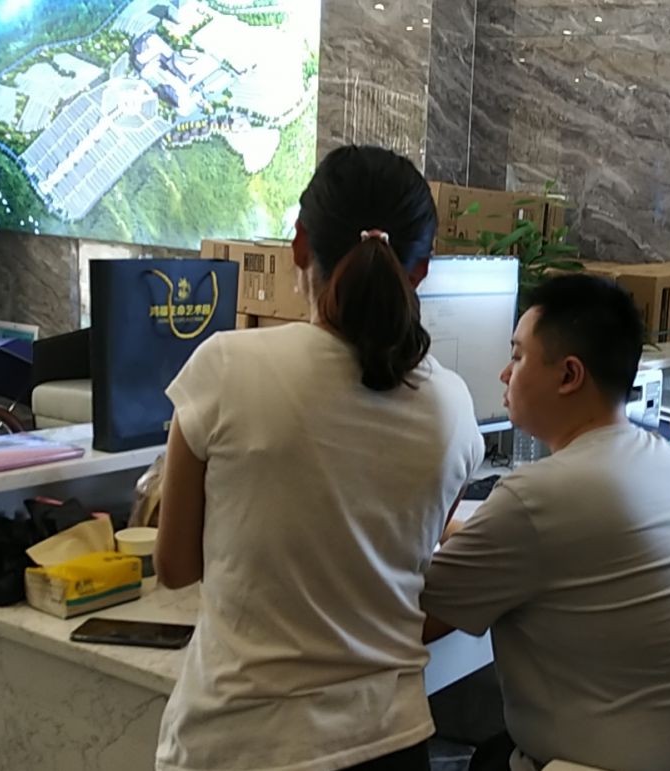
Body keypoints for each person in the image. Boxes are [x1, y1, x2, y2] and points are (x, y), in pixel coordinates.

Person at [153, 145, 485, 771]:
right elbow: (417, 555)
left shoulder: (225, 368)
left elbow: (174, 566)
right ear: (421, 270)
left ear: (300, 245)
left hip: (242, 747)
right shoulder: (453, 408)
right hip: (390, 743)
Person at [421, 274, 670, 771]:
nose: (503, 374)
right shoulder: (663, 460)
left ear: (569, 375)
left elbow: (413, 620)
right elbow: (561, 548)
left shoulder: (538, 497)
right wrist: (459, 533)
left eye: (517, 357)